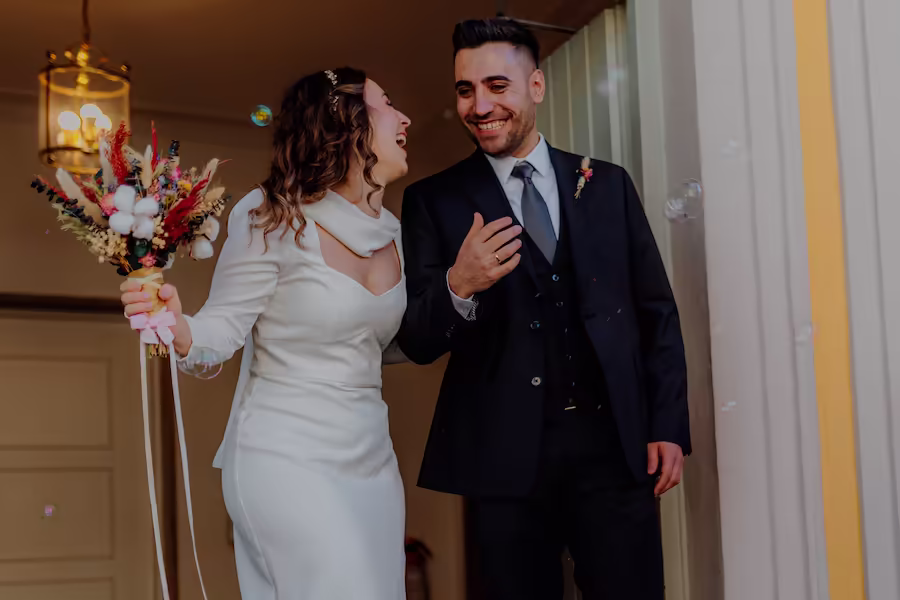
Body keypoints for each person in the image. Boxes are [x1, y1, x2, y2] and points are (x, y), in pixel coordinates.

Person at [397, 18, 691, 600]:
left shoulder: (606, 185)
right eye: (465, 90)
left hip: (615, 451)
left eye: (496, 86)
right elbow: (419, 338)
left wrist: (667, 425)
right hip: (503, 460)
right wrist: (460, 284)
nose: (479, 105)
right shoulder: (433, 201)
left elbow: (655, 309)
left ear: (536, 86)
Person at [121, 68, 412, 599]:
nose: (404, 117)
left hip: (373, 459)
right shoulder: (271, 216)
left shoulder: (393, 234)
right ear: (345, 124)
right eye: (386, 104)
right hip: (287, 458)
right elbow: (219, 329)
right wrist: (175, 322)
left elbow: (376, 346)